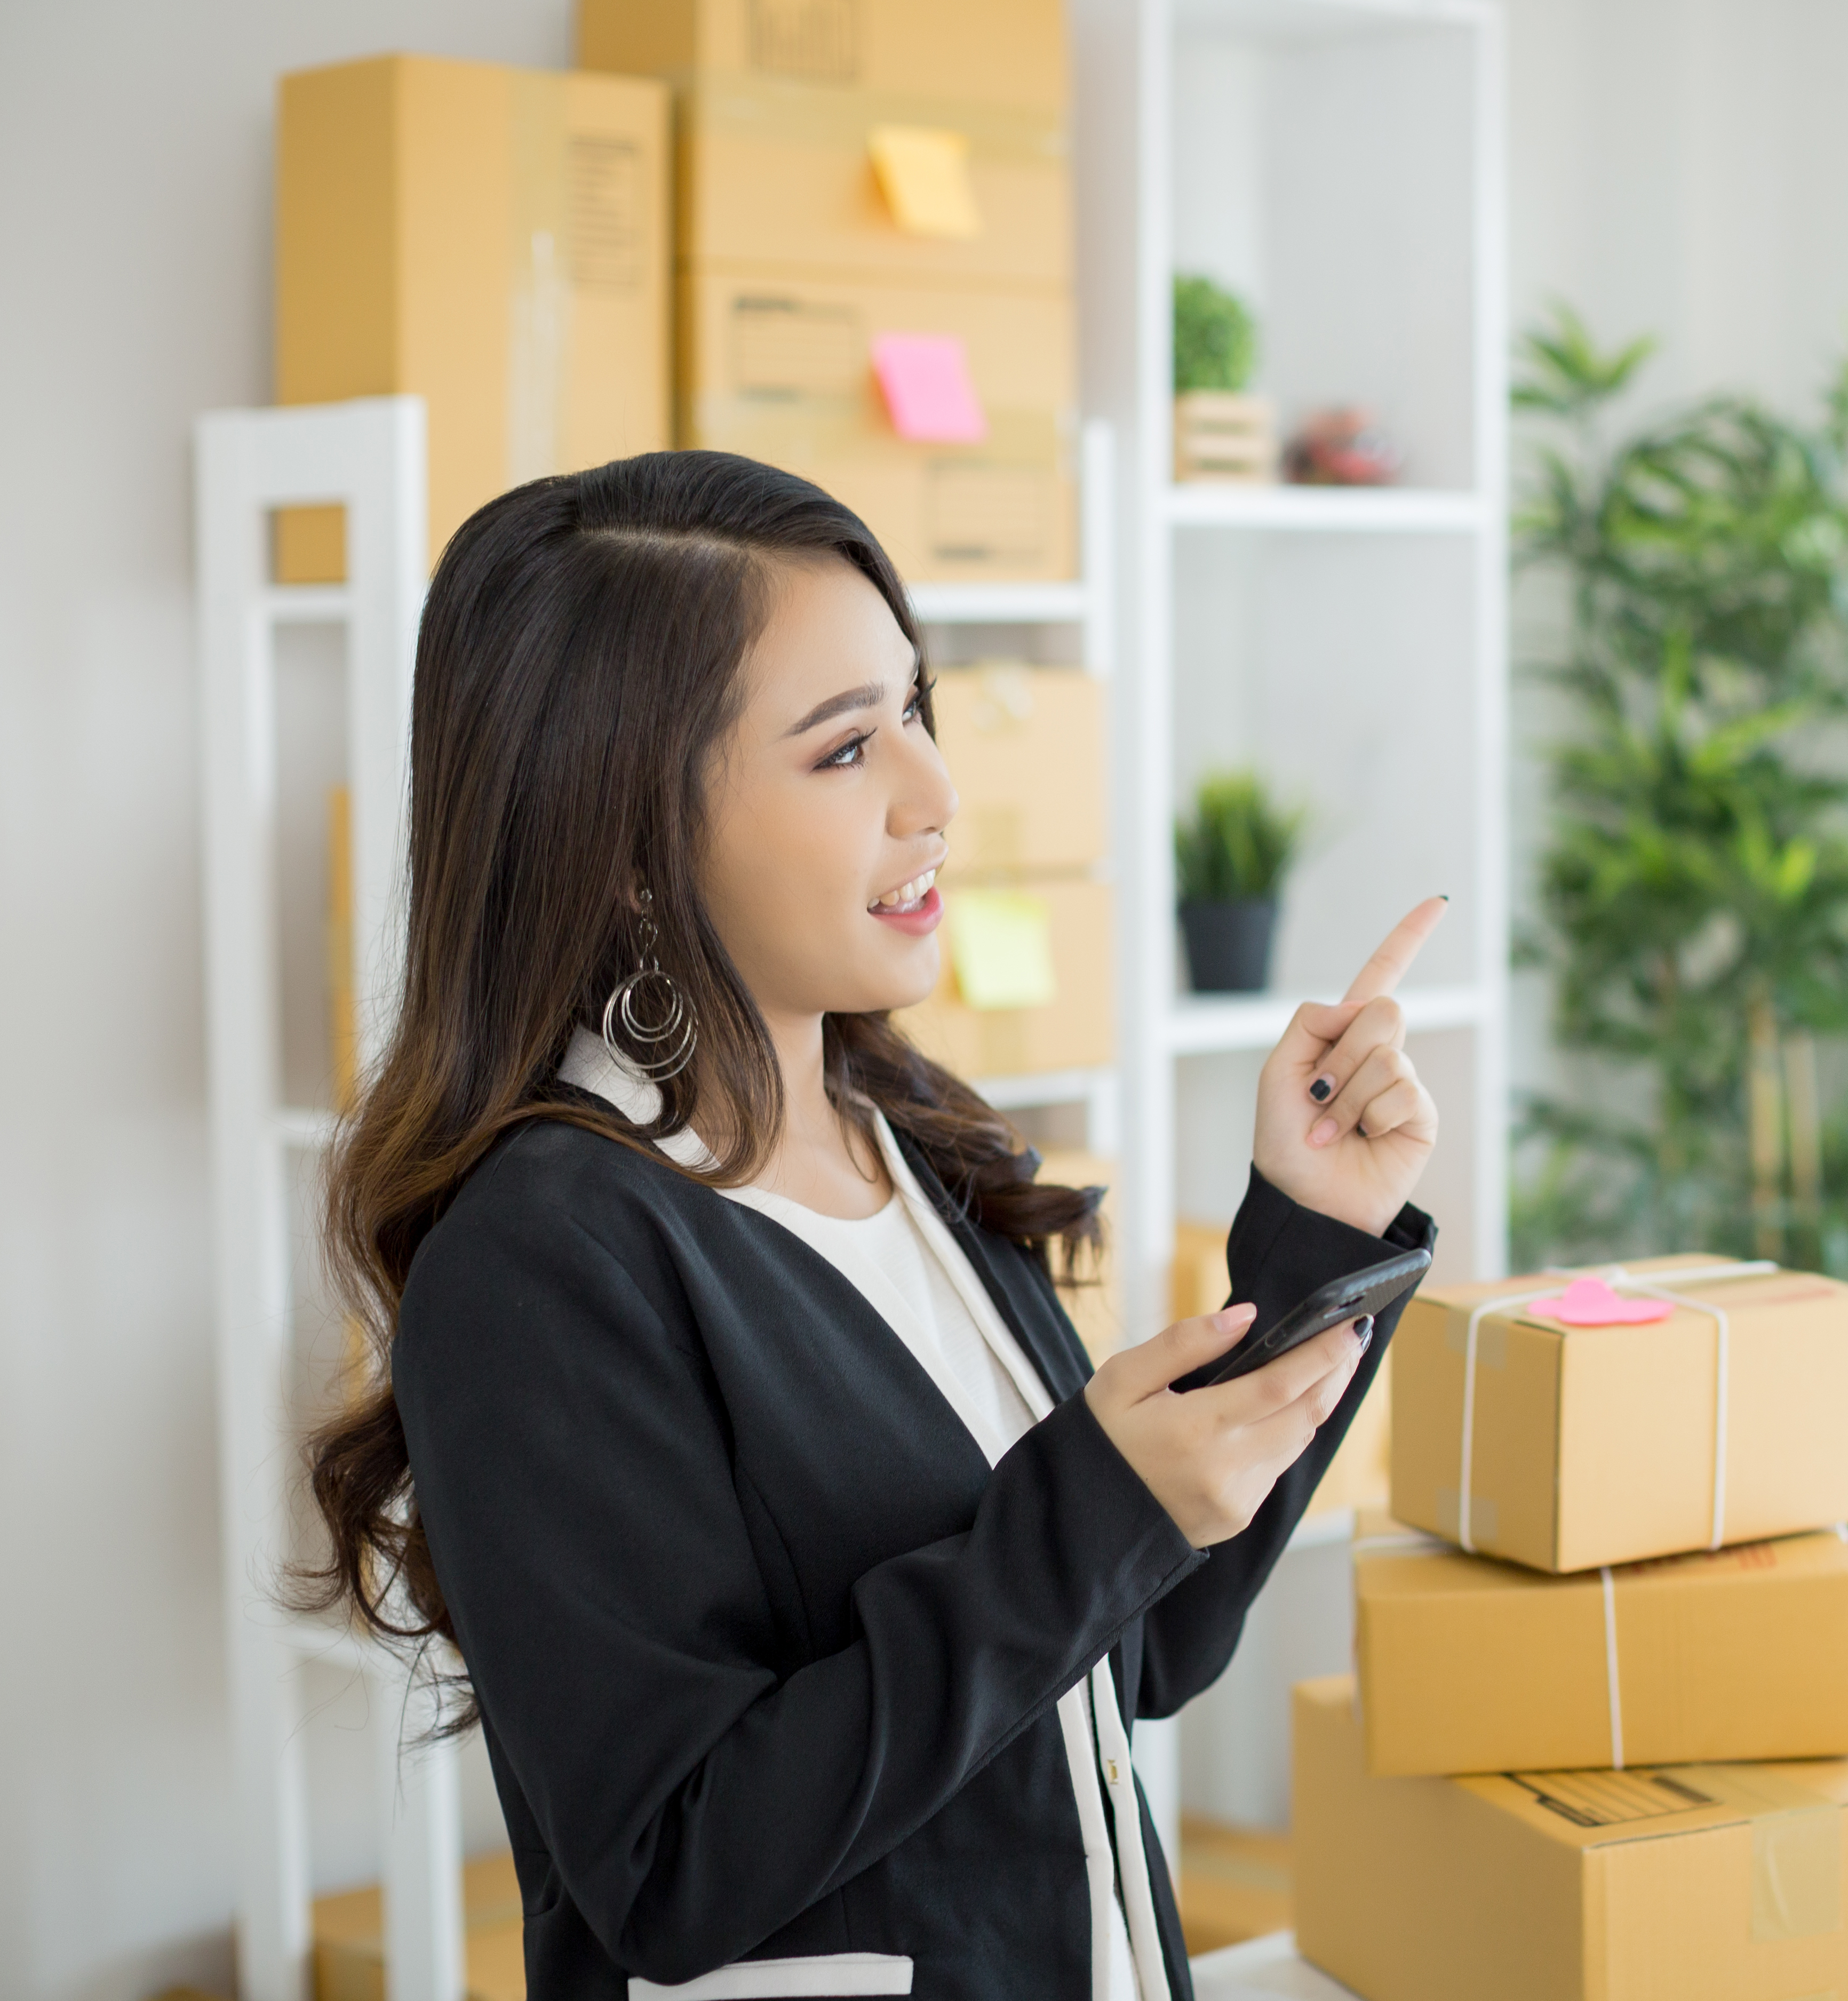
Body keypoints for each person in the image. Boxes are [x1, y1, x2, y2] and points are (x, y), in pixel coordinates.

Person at [297, 451, 1443, 2001]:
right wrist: (1087, 1512)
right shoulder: (545, 1259)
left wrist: (1311, 1235)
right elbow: (668, 1864)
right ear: (629, 854)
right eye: (843, 752)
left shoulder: (915, 1147)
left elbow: (1141, 1647)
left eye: (913, 709)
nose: (934, 794)